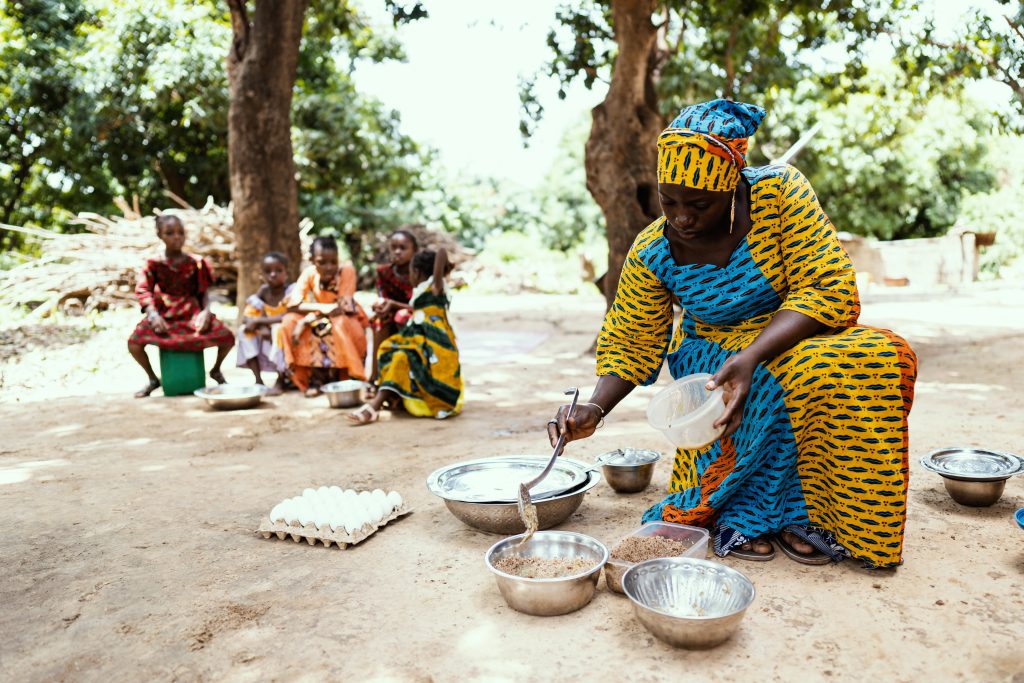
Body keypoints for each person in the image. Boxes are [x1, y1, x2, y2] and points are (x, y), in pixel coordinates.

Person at [547, 99, 917, 569]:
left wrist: (754, 354)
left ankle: (813, 515)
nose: (680, 217)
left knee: (874, 357)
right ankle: (744, 513)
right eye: (669, 200)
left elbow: (828, 287)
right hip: (711, 352)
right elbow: (631, 340)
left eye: (699, 204)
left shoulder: (780, 195)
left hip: (793, 333)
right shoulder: (651, 250)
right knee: (755, 385)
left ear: (733, 188)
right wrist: (595, 407)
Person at [347, 247, 462, 424]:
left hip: (434, 343)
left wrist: (438, 268)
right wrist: (393, 305)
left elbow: (441, 252)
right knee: (393, 353)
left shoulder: (436, 286)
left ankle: (374, 407)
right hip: (417, 337)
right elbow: (420, 309)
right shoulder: (423, 290)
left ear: (416, 272)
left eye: (410, 272)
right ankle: (390, 398)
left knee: (401, 357)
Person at [128, 215, 235, 398]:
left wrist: (205, 313)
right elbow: (144, 290)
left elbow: (204, 293)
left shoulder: (196, 263)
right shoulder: (153, 264)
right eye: (170, 233)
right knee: (134, 343)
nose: (176, 237)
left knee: (227, 337)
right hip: (164, 316)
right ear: (160, 235)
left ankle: (216, 371)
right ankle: (153, 379)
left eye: (181, 233)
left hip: (191, 315)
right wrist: (153, 315)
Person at [278, 236, 369, 397]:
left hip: (345, 315)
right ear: (312, 260)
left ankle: (348, 376)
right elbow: (292, 304)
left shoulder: (347, 271)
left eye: (333, 262)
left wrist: (308, 318)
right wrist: (320, 310)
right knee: (289, 322)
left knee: (340, 325)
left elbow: (341, 308)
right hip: (319, 315)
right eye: (322, 262)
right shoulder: (309, 273)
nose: (329, 267)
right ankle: (314, 379)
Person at [236, 252, 294, 394]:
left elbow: (290, 316)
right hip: (267, 332)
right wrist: (260, 326)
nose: (273, 275)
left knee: (278, 330)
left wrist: (259, 321)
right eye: (268, 271)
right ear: (262, 274)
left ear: (286, 273)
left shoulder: (291, 291)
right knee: (244, 331)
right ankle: (258, 381)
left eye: (278, 271)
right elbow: (247, 317)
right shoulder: (263, 292)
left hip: (287, 332)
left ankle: (280, 381)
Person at [368, 229, 417, 385]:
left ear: (414, 251)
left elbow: (422, 305)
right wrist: (379, 305)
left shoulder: (420, 273)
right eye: (394, 247)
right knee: (378, 321)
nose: (397, 252)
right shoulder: (384, 272)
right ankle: (375, 376)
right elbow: (382, 296)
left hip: (414, 315)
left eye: (403, 248)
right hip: (389, 315)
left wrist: (394, 305)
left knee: (402, 316)